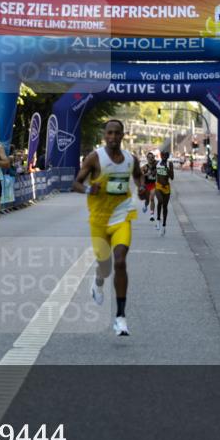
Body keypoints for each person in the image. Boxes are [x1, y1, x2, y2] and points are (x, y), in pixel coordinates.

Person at [71, 119, 143, 336]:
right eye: (109, 133)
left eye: (117, 133)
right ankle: (98, 281)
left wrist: (142, 188)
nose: (113, 137)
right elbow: (76, 183)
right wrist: (88, 190)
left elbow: (138, 176)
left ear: (122, 135)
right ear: (105, 135)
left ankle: (120, 317)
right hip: (99, 220)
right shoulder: (95, 158)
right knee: (105, 266)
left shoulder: (130, 159)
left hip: (122, 217)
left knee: (120, 262)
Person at [153, 150, 174, 236]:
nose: (164, 157)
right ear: (161, 156)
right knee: (160, 201)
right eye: (163, 155)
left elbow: (172, 177)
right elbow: (154, 173)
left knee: (165, 206)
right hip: (158, 186)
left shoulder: (170, 164)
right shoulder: (157, 163)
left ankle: (164, 225)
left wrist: (167, 168)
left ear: (168, 156)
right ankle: (158, 219)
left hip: (166, 188)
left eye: (166, 155)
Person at [141, 152, 158, 221]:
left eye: (152, 157)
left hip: (153, 185)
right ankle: (145, 205)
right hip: (146, 185)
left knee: (152, 199)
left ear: (154, 158)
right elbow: (140, 176)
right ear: (147, 158)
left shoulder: (156, 166)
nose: (151, 159)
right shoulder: (144, 167)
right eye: (149, 157)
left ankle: (152, 215)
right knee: (147, 201)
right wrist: (146, 174)